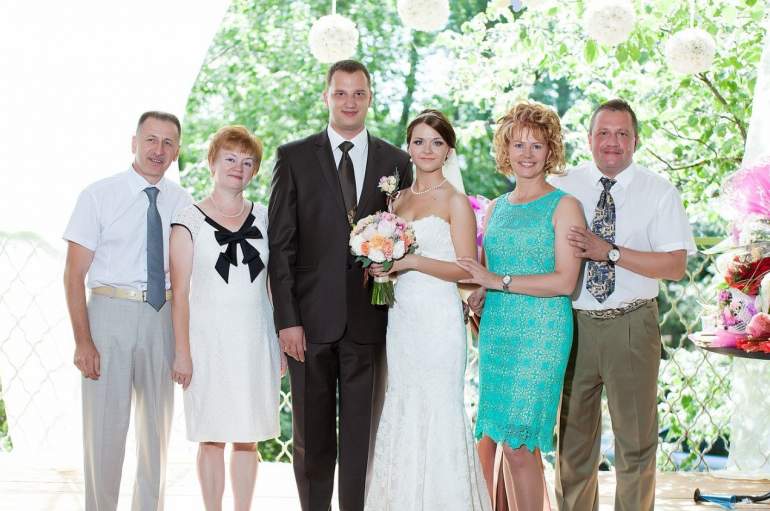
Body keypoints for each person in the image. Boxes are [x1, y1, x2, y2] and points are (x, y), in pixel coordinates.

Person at [267, 60, 411, 511]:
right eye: (341, 92)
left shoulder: (396, 162)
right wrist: (287, 321)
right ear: (326, 96)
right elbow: (281, 246)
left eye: (359, 93)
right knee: (310, 439)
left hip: (370, 320)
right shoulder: (293, 157)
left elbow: (408, 236)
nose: (350, 102)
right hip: (308, 324)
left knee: (360, 440)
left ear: (370, 98)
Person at [550, 99, 696, 511]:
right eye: (603, 133)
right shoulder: (561, 185)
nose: (612, 142)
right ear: (589, 139)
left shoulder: (659, 191)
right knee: (572, 444)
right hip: (573, 323)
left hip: (632, 324)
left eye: (621, 134)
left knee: (635, 443)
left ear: (636, 140)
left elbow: (675, 266)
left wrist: (610, 252)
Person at [458, 101, 585, 511]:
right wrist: (482, 293)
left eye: (536, 145)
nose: (526, 154)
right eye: (518, 144)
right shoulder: (495, 209)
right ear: (505, 149)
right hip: (498, 333)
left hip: (542, 333)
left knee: (518, 443)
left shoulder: (566, 206)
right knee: (498, 437)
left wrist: (498, 281)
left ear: (551, 151)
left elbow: (565, 281)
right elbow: (491, 272)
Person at [364, 109, 492, 511]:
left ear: (448, 150)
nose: (427, 149)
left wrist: (412, 262)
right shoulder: (396, 199)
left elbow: (467, 270)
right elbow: (387, 255)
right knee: (402, 403)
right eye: (419, 141)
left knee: (438, 407)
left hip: (439, 321)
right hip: (402, 320)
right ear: (408, 147)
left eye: (436, 143)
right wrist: (381, 266)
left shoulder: (455, 201)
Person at [63, 111, 192, 510]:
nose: (158, 150)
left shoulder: (183, 203)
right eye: (151, 139)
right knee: (104, 431)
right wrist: (83, 341)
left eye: (168, 142)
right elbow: (73, 276)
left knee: (156, 434)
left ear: (177, 151)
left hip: (160, 317)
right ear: (134, 142)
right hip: (109, 315)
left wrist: (185, 345)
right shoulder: (98, 195)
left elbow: (188, 277)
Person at [169, 125, 284, 510]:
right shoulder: (188, 220)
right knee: (212, 434)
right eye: (230, 159)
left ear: (255, 171)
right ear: (212, 162)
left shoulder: (266, 218)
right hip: (208, 343)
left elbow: (274, 285)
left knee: (249, 436)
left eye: (248, 162)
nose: (238, 167)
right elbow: (180, 293)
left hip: (255, 341)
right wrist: (182, 352)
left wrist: (279, 342)